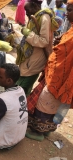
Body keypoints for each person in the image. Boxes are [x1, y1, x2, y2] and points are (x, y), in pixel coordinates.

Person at [26, 0, 73, 141]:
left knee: (45, 100)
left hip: (60, 76)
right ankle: (48, 129)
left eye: (69, 10)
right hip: (63, 77)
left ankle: (38, 131)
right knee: (55, 102)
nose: (66, 14)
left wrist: (57, 49)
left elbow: (65, 53)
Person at [16, 0, 59, 96]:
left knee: (23, 88)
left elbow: (44, 41)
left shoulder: (44, 18)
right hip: (30, 59)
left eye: (27, 10)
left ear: (34, 6)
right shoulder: (36, 17)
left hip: (35, 61)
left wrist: (28, 34)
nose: (26, 13)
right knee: (20, 84)